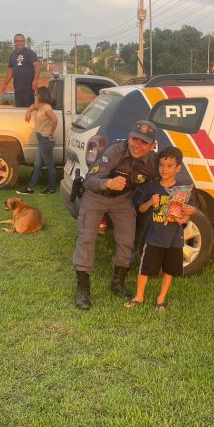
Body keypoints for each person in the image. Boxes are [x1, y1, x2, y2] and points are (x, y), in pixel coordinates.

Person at [72, 120, 159, 310]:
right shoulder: (115, 151)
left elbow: (166, 178)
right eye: (135, 139)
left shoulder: (153, 162)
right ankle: (83, 289)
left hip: (122, 200)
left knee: (127, 239)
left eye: (144, 142)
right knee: (87, 237)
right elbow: (90, 181)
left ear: (153, 146)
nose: (137, 145)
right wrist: (108, 183)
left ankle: (118, 283)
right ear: (129, 137)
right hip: (96, 196)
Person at [126, 146, 196, 312]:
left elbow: (190, 212)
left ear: (178, 168)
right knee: (146, 268)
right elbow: (141, 209)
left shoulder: (183, 190)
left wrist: (188, 213)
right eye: (161, 165)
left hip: (174, 238)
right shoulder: (152, 187)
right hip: (154, 237)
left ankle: (161, 298)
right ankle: (139, 296)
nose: (165, 169)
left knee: (169, 269)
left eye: (169, 166)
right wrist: (150, 202)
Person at [17, 86, 58, 195]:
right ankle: (30, 189)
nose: (34, 95)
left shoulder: (46, 108)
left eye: (36, 94)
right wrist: (28, 111)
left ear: (41, 95)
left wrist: (50, 134)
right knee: (37, 164)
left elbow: (55, 120)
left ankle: (52, 188)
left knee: (50, 165)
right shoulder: (40, 106)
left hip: (45, 140)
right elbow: (32, 106)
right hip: (41, 139)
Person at [1, 34, 40, 107]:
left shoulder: (30, 53)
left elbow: (37, 66)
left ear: (24, 42)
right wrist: (5, 84)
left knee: (29, 109)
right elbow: (10, 71)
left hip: (29, 88)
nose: (20, 42)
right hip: (18, 88)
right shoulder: (13, 55)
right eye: (17, 41)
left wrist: (35, 80)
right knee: (19, 109)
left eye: (22, 41)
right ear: (14, 42)